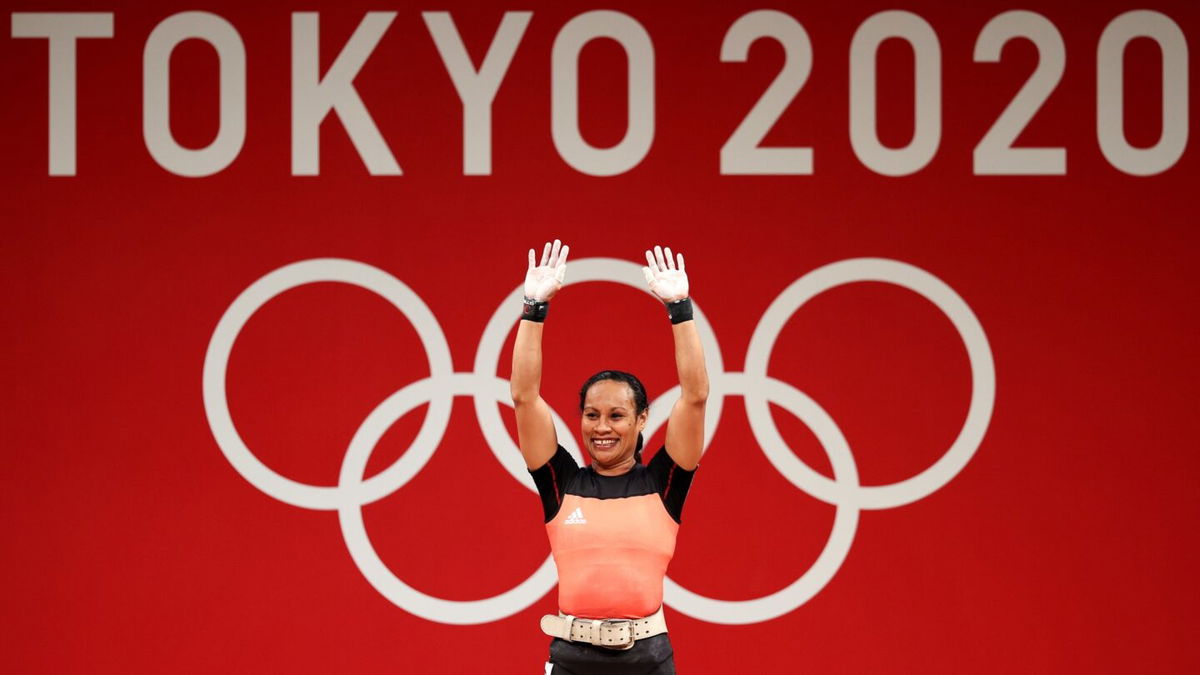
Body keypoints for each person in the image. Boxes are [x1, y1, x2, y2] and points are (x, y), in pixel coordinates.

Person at [510, 239, 709, 674]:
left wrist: (680, 309)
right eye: (591, 414)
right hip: (571, 662)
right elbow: (524, 397)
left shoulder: (665, 481)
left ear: (641, 421)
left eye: (617, 415)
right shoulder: (561, 481)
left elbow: (694, 397)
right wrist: (533, 308)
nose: (602, 427)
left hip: (649, 662)